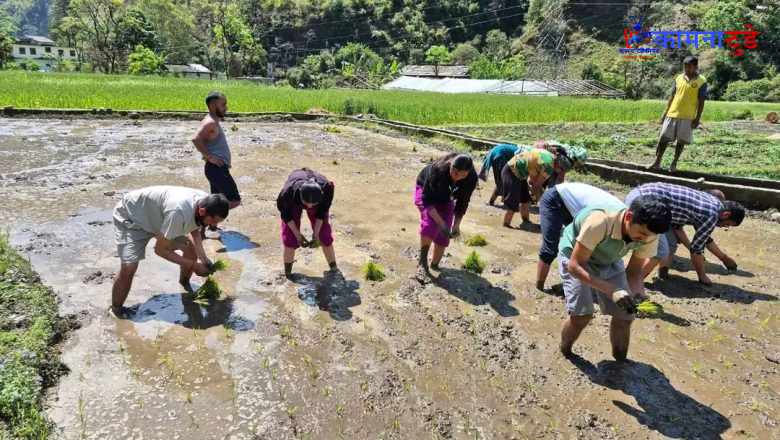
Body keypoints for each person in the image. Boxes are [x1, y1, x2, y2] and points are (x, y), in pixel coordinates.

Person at [558, 194, 671, 361]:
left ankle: (621, 361)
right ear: (629, 216)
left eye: (649, 236)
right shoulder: (599, 221)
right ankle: (565, 350)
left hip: (609, 258)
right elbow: (574, 266)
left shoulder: (650, 234)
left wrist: (639, 295)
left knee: (626, 315)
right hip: (576, 256)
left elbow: (634, 272)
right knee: (582, 315)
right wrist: (611, 290)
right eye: (642, 233)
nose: (645, 239)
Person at [111, 186, 229, 318]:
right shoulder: (178, 212)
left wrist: (203, 258)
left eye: (217, 222)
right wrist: (194, 266)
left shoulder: (206, 202)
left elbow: (194, 229)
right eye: (213, 221)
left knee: (191, 249)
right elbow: (160, 250)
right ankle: (117, 310)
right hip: (132, 218)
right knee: (129, 267)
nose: (213, 226)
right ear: (202, 211)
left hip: (160, 219)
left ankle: (184, 283)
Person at [624, 182, 744, 285]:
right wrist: (702, 277)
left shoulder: (712, 203)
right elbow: (696, 249)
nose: (724, 227)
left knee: (670, 244)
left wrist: (723, 258)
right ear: (726, 214)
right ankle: (629, 284)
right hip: (645, 203)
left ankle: (663, 271)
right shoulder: (712, 215)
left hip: (639, 194)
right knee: (660, 251)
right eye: (727, 224)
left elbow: (699, 237)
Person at [536, 182, 622, 290]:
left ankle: (574, 284)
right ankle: (539, 287)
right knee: (550, 247)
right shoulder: (603, 219)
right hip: (556, 198)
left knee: (584, 249)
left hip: (577, 206)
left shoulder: (621, 217)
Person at [414, 153, 478, 283]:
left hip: (446, 197)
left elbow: (463, 202)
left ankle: (434, 264)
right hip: (426, 191)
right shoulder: (437, 170)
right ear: (450, 165)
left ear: (468, 172)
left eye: (462, 175)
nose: (458, 178)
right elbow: (428, 201)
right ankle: (422, 264)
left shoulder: (471, 178)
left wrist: (457, 224)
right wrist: (439, 222)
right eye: (454, 173)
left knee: (446, 230)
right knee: (431, 224)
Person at [191, 91, 241, 237]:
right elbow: (195, 138)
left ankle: (208, 226)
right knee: (234, 200)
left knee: (216, 199)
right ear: (213, 105)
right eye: (223, 104)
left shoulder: (213, 121)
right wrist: (208, 156)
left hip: (217, 168)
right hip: (215, 169)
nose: (226, 107)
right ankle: (203, 219)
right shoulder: (210, 122)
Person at [647, 56, 708, 172]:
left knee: (681, 141)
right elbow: (672, 97)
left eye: (689, 67)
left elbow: (701, 101)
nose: (687, 69)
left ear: (696, 67)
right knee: (663, 139)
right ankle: (657, 162)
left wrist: (697, 118)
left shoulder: (702, 81)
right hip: (672, 114)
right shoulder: (678, 78)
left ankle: (673, 164)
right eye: (685, 67)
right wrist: (665, 113)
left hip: (688, 116)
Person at [277, 168, 337, 279]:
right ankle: (288, 275)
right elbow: (286, 215)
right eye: (306, 203)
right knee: (289, 237)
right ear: (300, 193)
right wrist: (298, 235)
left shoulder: (327, 189)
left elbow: (321, 212)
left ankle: (334, 269)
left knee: (324, 234)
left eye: (312, 204)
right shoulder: (287, 193)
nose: (309, 206)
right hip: (293, 201)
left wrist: (316, 233)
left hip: (316, 199)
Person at [500, 148, 560, 228]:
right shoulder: (549, 166)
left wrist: (536, 194)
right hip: (512, 171)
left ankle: (526, 222)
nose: (560, 173)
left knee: (525, 200)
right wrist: (541, 202)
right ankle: (505, 225)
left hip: (520, 174)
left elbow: (533, 182)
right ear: (559, 166)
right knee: (513, 203)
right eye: (561, 171)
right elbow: (536, 187)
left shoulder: (550, 158)